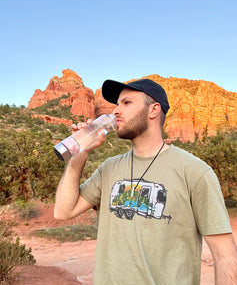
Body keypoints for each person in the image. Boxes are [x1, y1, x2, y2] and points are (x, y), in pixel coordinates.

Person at [54, 78, 237, 284]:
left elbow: (225, 254)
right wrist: (80, 154)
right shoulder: (108, 168)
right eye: (117, 104)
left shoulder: (195, 171)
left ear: (153, 110)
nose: (115, 111)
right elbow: (63, 211)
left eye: (127, 103)